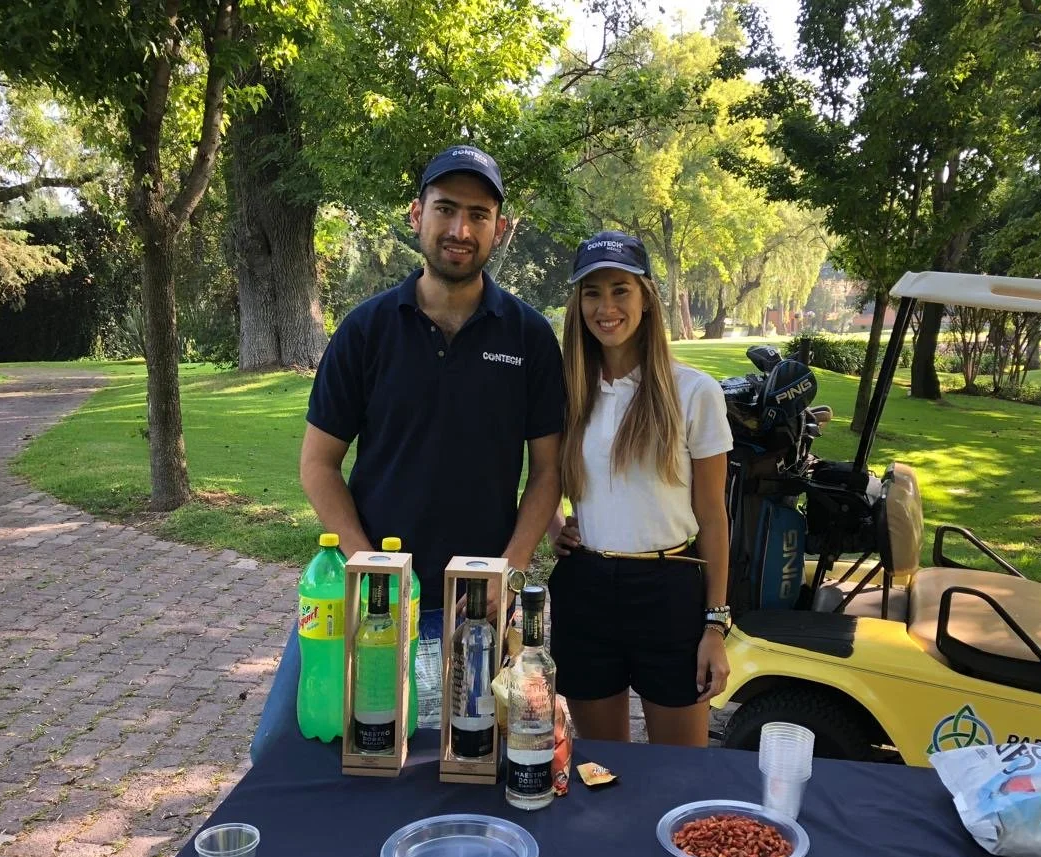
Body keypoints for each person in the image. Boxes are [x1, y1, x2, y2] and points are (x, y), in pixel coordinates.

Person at [250, 145, 564, 762]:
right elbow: (318, 464)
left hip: (478, 603)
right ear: (417, 214)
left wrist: (511, 568)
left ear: (500, 228)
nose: (460, 229)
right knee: (284, 753)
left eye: (479, 213)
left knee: (476, 762)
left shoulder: (528, 336)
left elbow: (549, 471)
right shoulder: (366, 330)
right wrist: (367, 565)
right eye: (446, 209)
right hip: (369, 593)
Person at [547, 231, 732, 748]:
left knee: (680, 774)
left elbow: (714, 517)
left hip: (669, 589)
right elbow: (543, 477)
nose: (606, 307)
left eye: (620, 290)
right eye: (592, 292)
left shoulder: (694, 393)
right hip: (586, 588)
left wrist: (715, 626)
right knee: (603, 766)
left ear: (647, 299)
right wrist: (555, 528)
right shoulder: (566, 393)